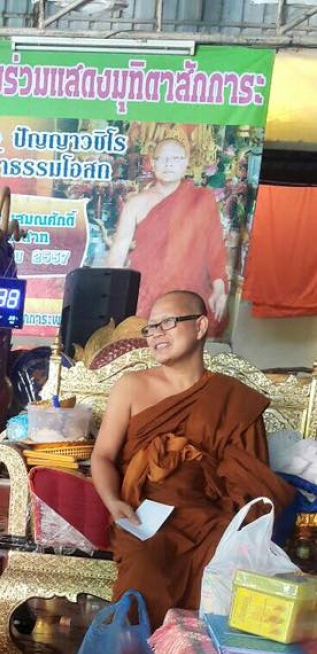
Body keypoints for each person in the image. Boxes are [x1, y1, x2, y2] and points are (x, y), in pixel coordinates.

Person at [90, 289, 294, 629]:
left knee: (227, 564)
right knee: (145, 568)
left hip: (210, 515)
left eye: (167, 323)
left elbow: (252, 479)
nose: (156, 334)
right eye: (151, 328)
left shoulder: (233, 400)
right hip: (143, 513)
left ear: (200, 327)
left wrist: (234, 523)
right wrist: (113, 502)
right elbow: (103, 457)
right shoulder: (131, 387)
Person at [103, 138, 229, 336]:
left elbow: (215, 248)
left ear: (186, 162)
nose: (169, 164)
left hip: (188, 294)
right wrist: (111, 299)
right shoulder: (136, 203)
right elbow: (117, 254)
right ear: (153, 163)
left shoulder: (202, 199)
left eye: (176, 158)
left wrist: (220, 289)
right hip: (146, 297)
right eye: (163, 159)